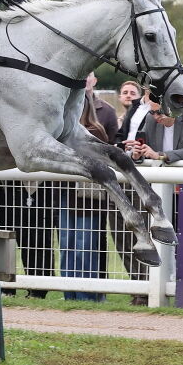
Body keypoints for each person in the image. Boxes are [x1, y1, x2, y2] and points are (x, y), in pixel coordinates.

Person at [58, 98, 108, 302]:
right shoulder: (63, 132)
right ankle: (69, 293)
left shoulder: (95, 132)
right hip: (65, 196)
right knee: (66, 247)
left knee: (84, 248)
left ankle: (86, 294)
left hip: (89, 199)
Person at [126, 93, 183, 164]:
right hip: (161, 173)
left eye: (159, 112)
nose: (155, 117)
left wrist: (159, 155)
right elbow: (144, 147)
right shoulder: (150, 118)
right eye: (152, 112)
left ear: (172, 107)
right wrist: (137, 154)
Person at [85, 72, 118, 143]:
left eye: (88, 75)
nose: (85, 79)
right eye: (83, 75)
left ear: (94, 81)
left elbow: (113, 143)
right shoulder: (66, 108)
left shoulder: (108, 111)